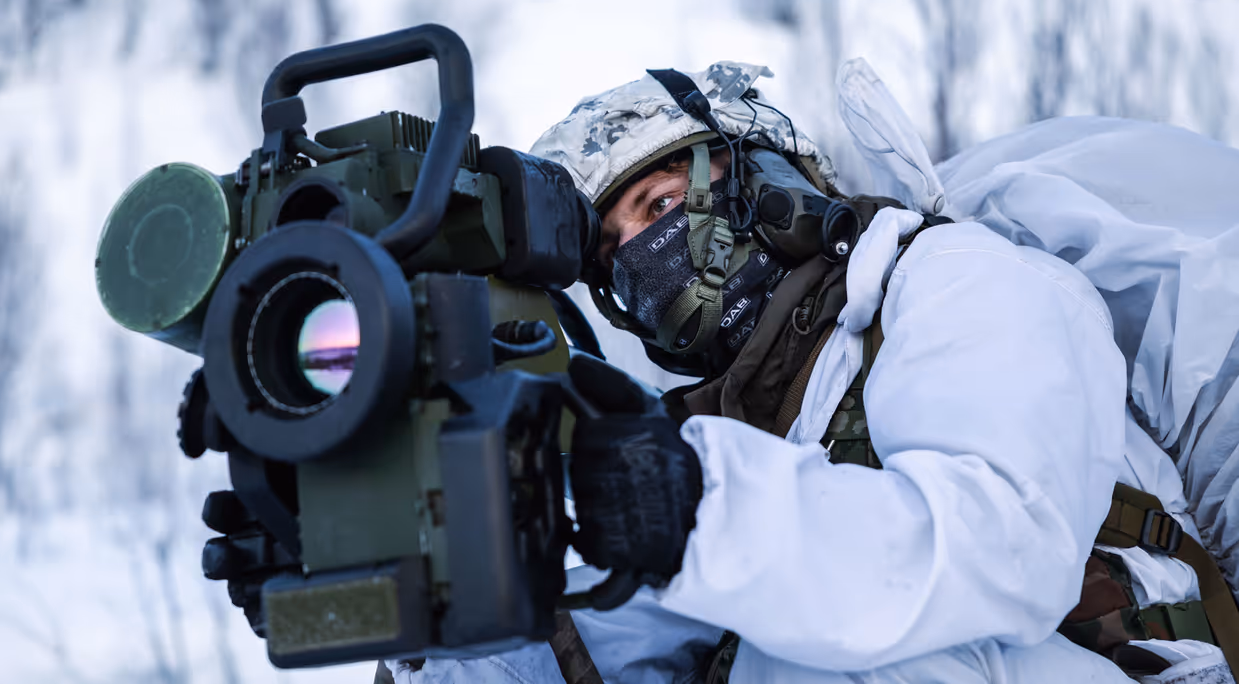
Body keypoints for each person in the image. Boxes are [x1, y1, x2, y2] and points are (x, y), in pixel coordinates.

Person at [386, 61, 1239, 684]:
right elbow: (630, 625)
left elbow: (995, 549)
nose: (644, 259)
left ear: (760, 175)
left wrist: (693, 508)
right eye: (613, 252)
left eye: (659, 204)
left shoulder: (956, 280)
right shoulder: (725, 424)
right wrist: (452, 632)